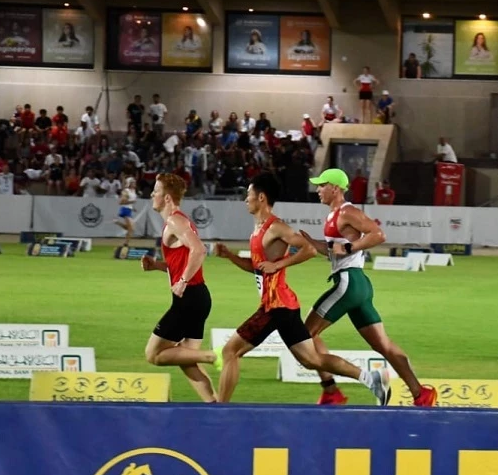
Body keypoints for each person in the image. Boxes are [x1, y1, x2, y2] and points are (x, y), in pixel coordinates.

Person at [212, 174, 392, 405]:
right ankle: (371, 379)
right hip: (283, 307)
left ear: (261, 197)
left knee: (230, 352)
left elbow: (306, 249)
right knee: (312, 360)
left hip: (275, 307)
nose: (245, 200)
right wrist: (229, 256)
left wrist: (278, 264)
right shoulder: (257, 230)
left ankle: (220, 408)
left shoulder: (275, 227)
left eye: (248, 195)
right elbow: (258, 269)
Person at [297, 168, 438, 407]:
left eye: (322, 185)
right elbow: (334, 250)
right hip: (358, 285)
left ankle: (331, 390)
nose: (318, 189)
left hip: (348, 283)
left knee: (303, 336)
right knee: (383, 344)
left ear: (335, 188)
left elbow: (378, 234)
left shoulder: (347, 211)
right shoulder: (333, 216)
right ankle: (420, 393)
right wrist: (310, 242)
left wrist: (352, 248)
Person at [139, 173, 219, 401]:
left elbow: (199, 250)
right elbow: (181, 262)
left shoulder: (175, 220)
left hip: (190, 299)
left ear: (166, 198)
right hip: (198, 298)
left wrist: (182, 281)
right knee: (186, 360)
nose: (152, 194)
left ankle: (213, 356)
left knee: (153, 354)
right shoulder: (175, 221)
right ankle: (214, 404)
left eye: (156, 190)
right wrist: (156, 266)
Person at [113, 178, 138, 246]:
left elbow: (130, 203)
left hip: (129, 209)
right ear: (129, 183)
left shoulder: (133, 191)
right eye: (132, 182)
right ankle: (126, 243)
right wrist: (131, 202)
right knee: (131, 228)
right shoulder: (126, 191)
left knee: (130, 228)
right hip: (125, 209)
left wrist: (132, 208)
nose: (134, 184)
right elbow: (121, 202)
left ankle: (117, 222)